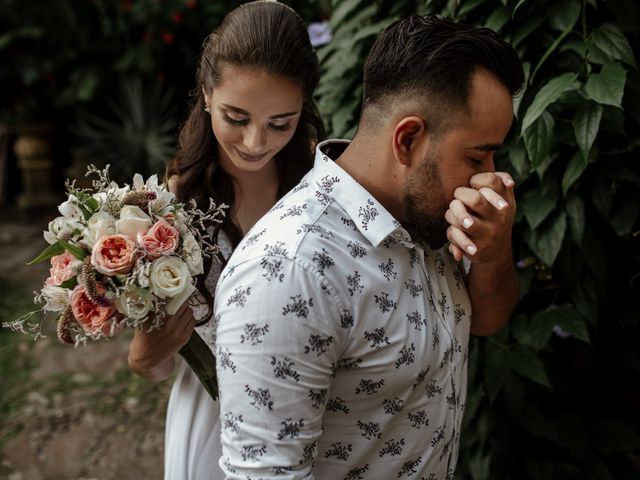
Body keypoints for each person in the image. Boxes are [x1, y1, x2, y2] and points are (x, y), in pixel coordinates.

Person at [214, 15, 525, 479]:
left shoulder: (429, 214)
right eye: (477, 156)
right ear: (409, 139)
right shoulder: (287, 273)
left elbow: (485, 320)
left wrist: (496, 255)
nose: (489, 176)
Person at [126, 2, 324, 479]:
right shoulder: (170, 207)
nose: (256, 142)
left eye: (281, 123)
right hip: (212, 422)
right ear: (207, 94)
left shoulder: (321, 187)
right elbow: (152, 365)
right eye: (237, 117)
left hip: (315, 415)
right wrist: (146, 356)